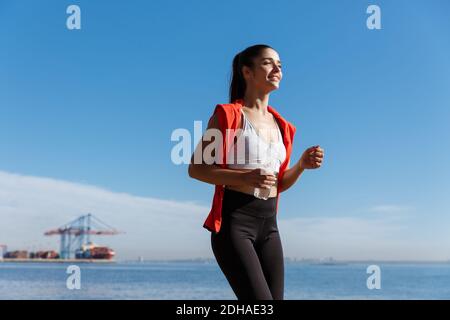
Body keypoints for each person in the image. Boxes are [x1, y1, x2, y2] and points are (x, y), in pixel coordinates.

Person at [188, 44, 324, 300]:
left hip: (270, 226)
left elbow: (278, 184)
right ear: (247, 72)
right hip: (235, 224)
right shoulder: (228, 115)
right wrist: (245, 177)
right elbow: (197, 169)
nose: (277, 69)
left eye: (280, 65)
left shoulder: (284, 127)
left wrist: (301, 166)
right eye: (268, 63)